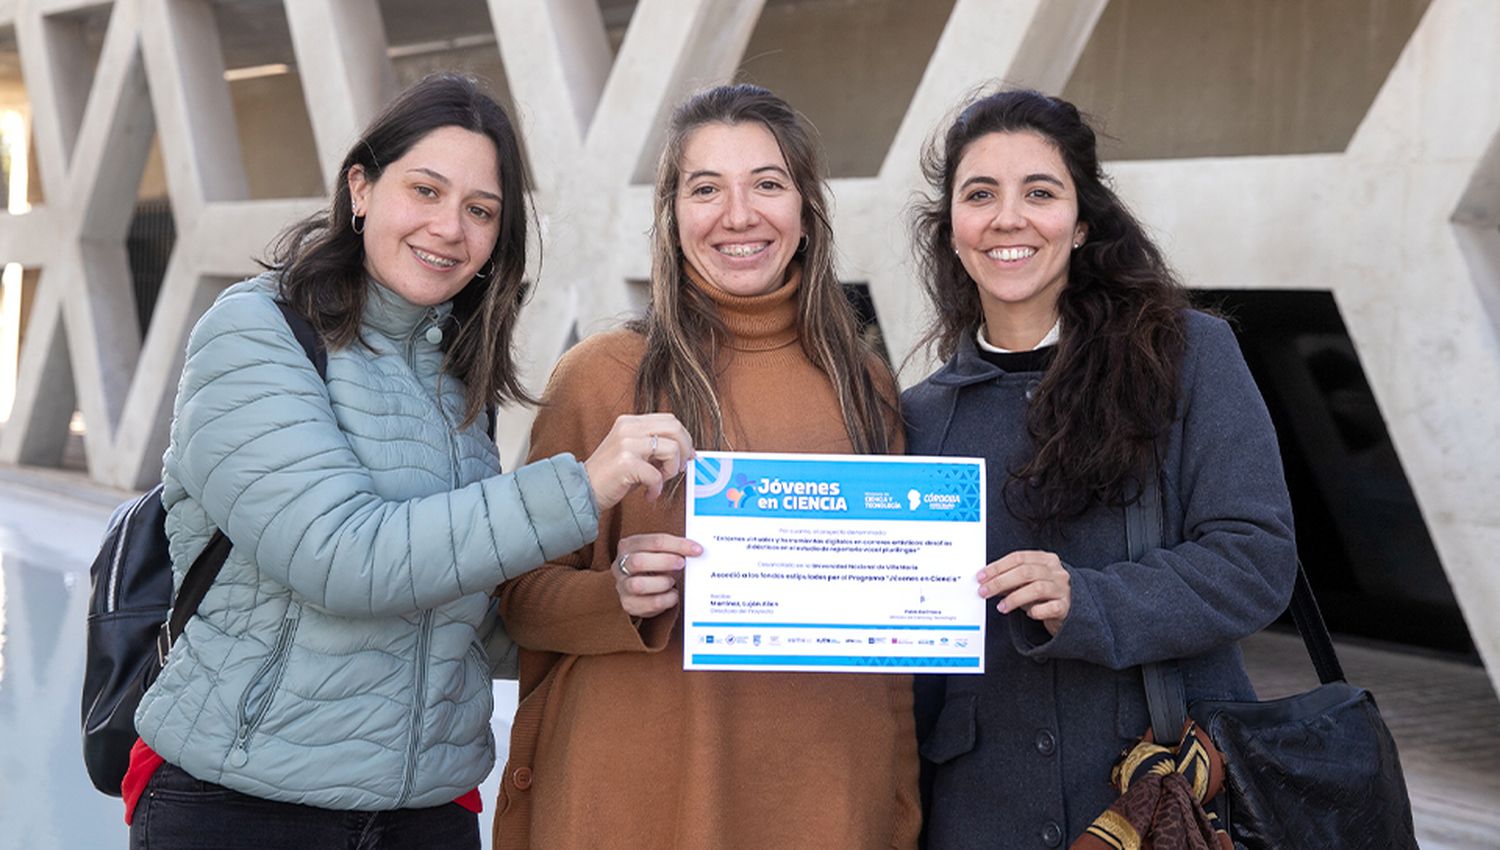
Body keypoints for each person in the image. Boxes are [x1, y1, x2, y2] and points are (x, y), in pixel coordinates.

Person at [126, 73, 690, 850]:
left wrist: (615, 594)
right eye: (424, 190)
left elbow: (457, 612)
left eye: (479, 210)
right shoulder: (257, 334)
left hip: (422, 816)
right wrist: (582, 485)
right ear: (361, 188)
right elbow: (343, 558)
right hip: (245, 805)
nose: (449, 228)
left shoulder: (457, 378)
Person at [491, 84, 921, 849]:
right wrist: (614, 593)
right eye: (705, 188)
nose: (739, 215)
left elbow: (893, 649)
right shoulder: (598, 377)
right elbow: (517, 599)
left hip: (820, 799)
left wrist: (897, 805)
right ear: (672, 213)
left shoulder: (867, 388)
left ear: (805, 209)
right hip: (634, 800)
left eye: (767, 183)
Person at [903, 88, 1298, 849]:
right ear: (952, 228)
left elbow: (1255, 559)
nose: (1007, 217)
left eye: (1040, 192)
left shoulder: (1188, 357)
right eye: (979, 194)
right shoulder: (916, 416)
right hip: (982, 816)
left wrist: (1088, 599)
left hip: (1167, 802)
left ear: (1083, 221)